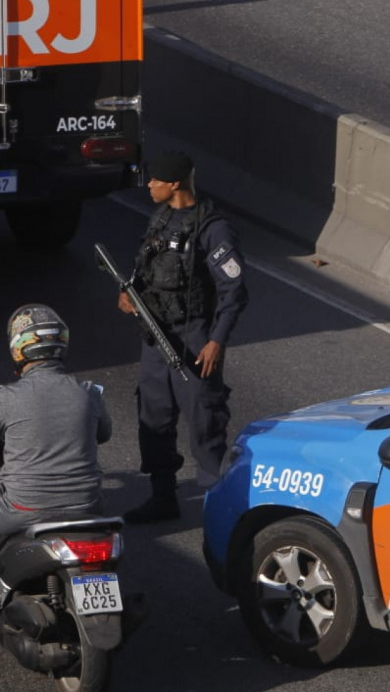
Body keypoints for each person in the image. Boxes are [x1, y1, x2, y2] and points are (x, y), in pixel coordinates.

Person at [118, 151, 248, 523]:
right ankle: (163, 498)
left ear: (174, 184)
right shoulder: (161, 217)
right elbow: (146, 266)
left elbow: (234, 290)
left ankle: (217, 509)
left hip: (194, 337)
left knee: (205, 420)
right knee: (154, 418)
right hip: (155, 336)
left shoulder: (213, 228)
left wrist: (216, 341)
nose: (148, 185)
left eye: (154, 180)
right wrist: (130, 293)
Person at [0, 305, 110, 539]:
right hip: (87, 506)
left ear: (19, 349)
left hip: (23, 510)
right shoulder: (89, 393)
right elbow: (104, 434)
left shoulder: (6, 398)